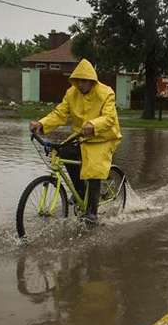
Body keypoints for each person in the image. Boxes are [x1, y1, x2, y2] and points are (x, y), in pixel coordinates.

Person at [29, 59, 122, 225]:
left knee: (93, 168)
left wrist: (93, 125)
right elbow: (60, 114)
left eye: (84, 81)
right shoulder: (71, 93)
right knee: (63, 152)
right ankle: (79, 189)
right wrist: (41, 124)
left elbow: (109, 118)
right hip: (80, 136)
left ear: (92, 81)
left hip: (103, 137)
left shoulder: (106, 93)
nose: (80, 84)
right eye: (78, 80)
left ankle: (92, 213)